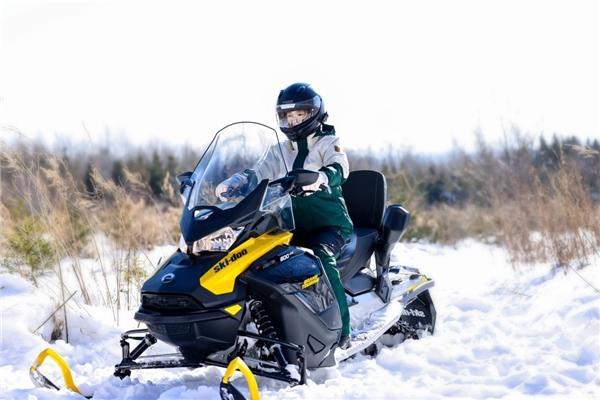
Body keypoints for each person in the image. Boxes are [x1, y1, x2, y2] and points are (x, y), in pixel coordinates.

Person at [216, 83, 353, 349]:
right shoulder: (280, 149)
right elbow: (259, 172)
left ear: (314, 113)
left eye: (299, 114)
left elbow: (340, 169)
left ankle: (342, 330)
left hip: (329, 225)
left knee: (321, 256)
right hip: (289, 224)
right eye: (288, 115)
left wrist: (321, 178)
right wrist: (238, 180)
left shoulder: (328, 143)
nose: (293, 120)